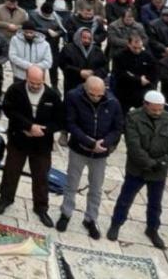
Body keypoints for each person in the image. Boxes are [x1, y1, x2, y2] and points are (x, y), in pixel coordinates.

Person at [108, 90, 168, 248]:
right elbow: (134, 146)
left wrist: (162, 163)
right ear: (145, 105)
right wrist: (150, 163)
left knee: (155, 204)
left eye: (160, 109)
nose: (157, 113)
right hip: (137, 169)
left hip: (159, 172)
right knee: (125, 199)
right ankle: (116, 224)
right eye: (154, 109)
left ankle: (152, 229)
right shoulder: (133, 117)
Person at [0, 65, 64, 227]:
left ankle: (41, 208)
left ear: (44, 80)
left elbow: (59, 121)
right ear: (26, 78)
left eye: (39, 83)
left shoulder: (52, 95)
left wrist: (42, 130)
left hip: (42, 144)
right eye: (32, 83)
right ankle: (5, 199)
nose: (35, 86)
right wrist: (28, 126)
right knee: (11, 171)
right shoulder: (15, 90)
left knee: (41, 176)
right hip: (19, 139)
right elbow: (9, 110)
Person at [56, 76, 123, 239]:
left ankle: (90, 219)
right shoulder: (74, 97)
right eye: (92, 95)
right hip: (79, 149)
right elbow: (70, 123)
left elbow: (118, 128)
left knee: (96, 188)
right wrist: (90, 142)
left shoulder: (113, 102)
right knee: (71, 183)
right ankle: (66, 213)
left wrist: (104, 143)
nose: (96, 98)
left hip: (100, 153)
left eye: (99, 95)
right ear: (85, 90)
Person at [112, 31, 159, 113]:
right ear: (129, 44)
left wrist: (147, 81)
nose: (137, 50)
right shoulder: (119, 56)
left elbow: (155, 72)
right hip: (125, 92)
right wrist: (138, 79)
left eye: (140, 48)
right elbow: (119, 74)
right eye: (135, 48)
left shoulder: (147, 56)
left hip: (143, 92)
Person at [58, 27, 108, 94]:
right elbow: (63, 65)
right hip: (73, 84)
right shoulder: (68, 48)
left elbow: (105, 67)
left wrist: (94, 74)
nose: (87, 40)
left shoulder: (97, 50)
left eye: (89, 38)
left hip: (92, 86)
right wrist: (79, 72)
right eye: (84, 38)